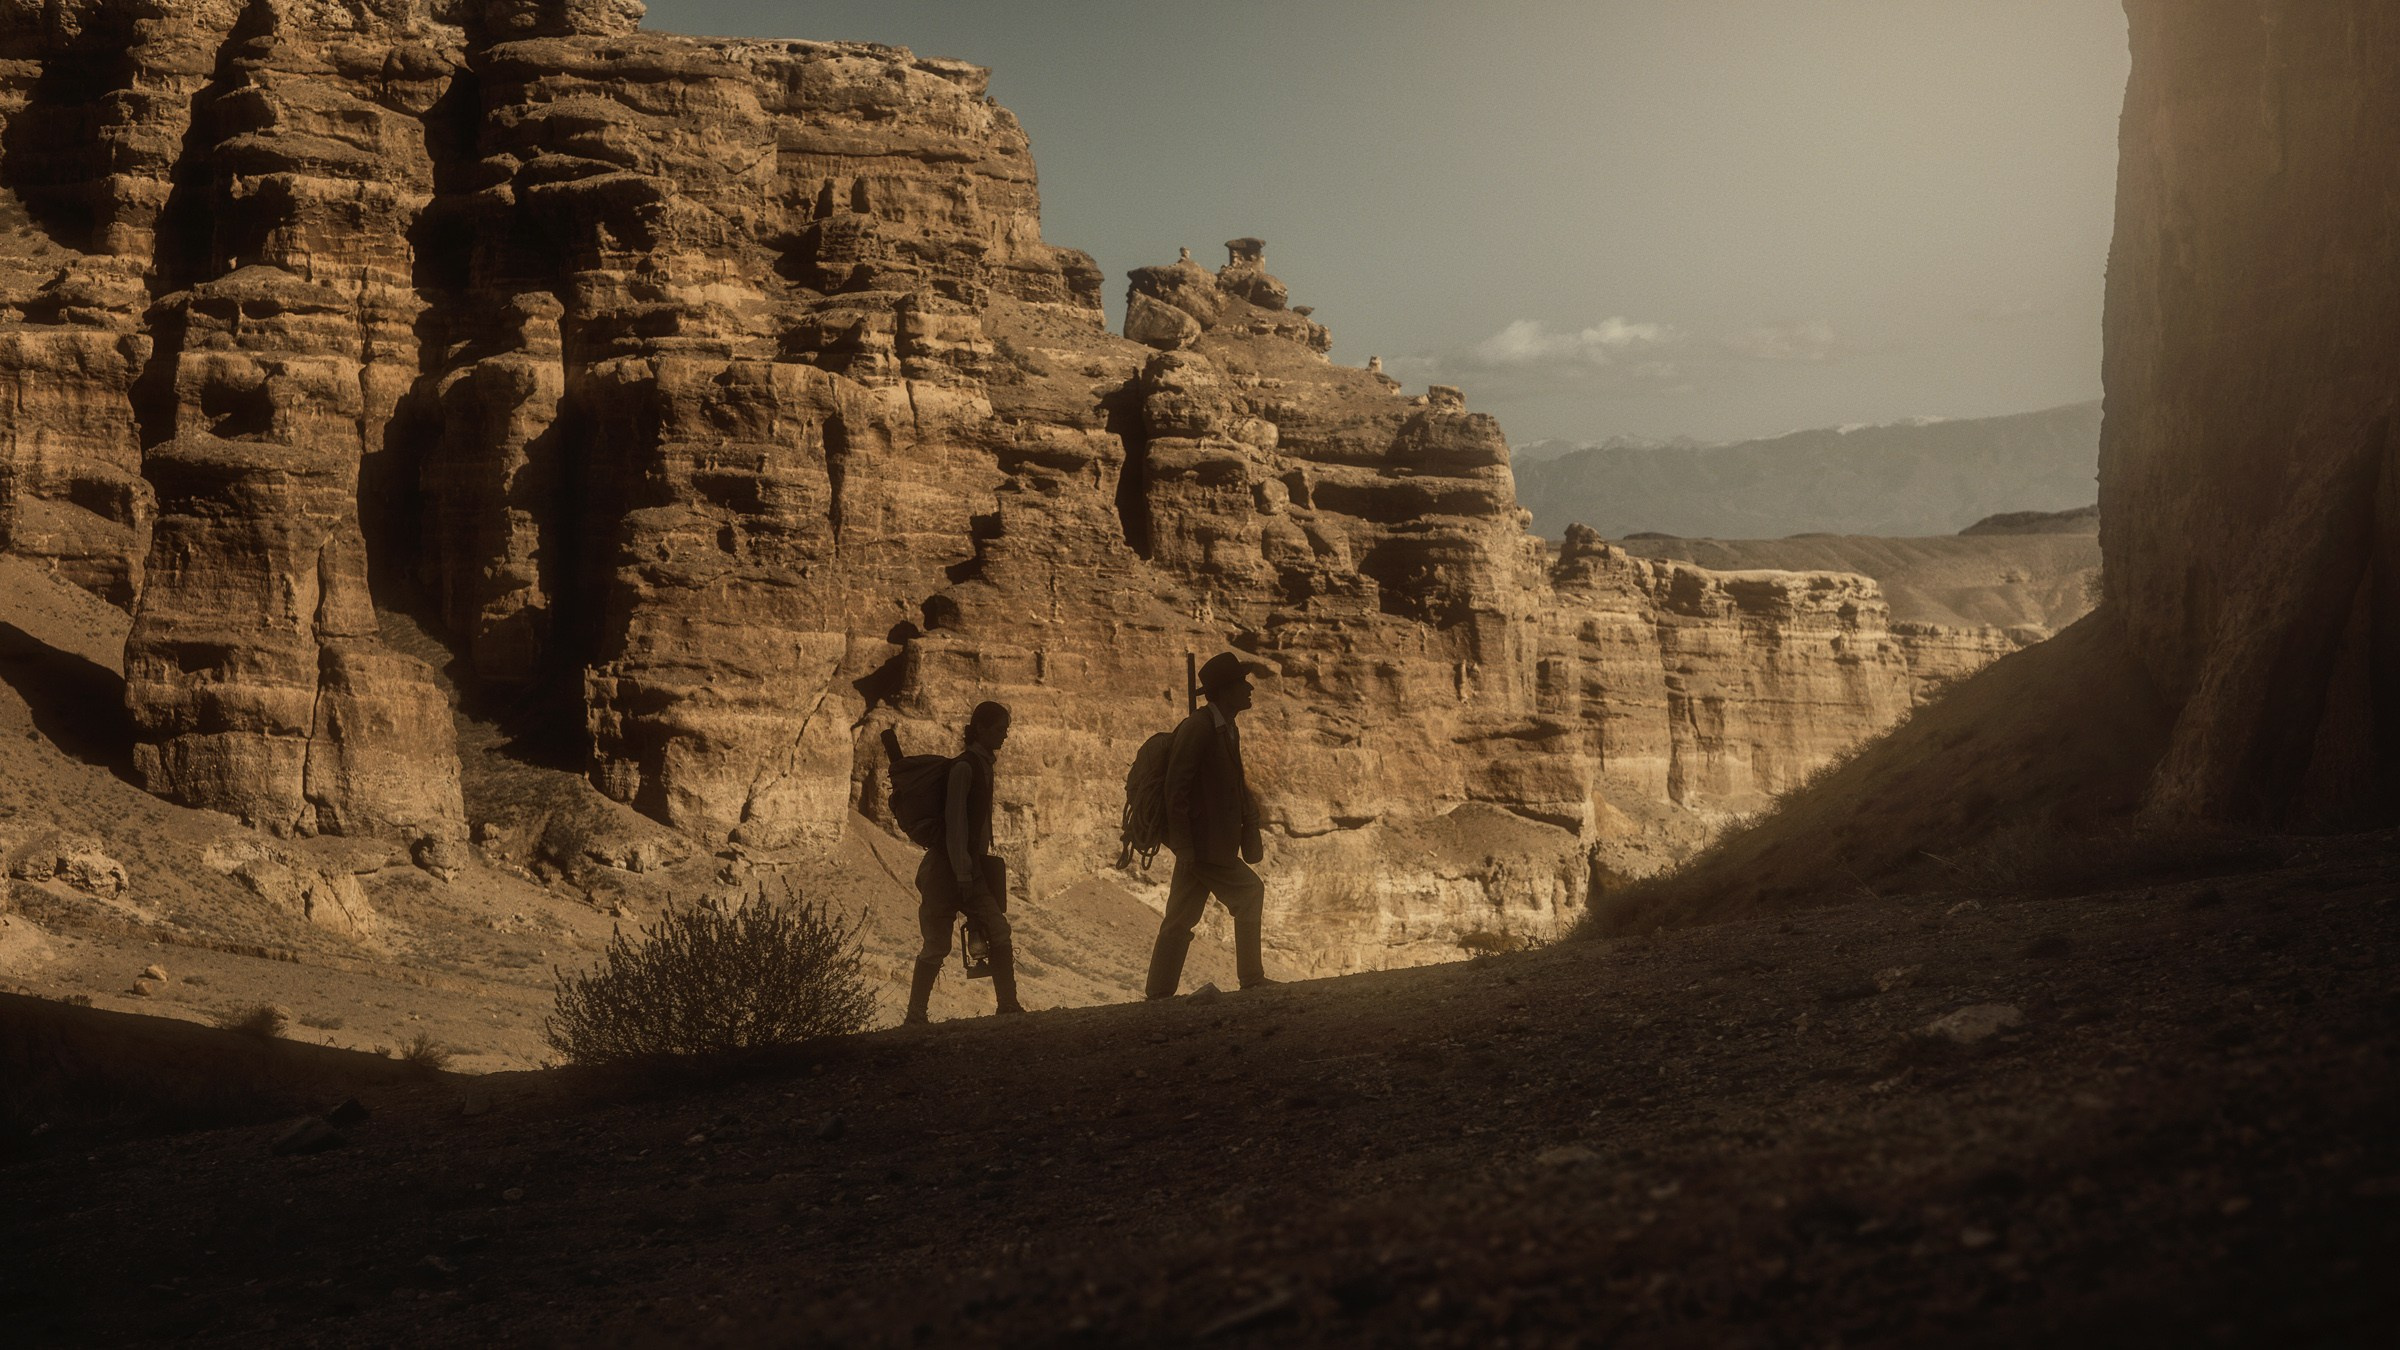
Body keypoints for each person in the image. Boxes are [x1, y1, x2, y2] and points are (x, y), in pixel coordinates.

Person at [1145, 653, 1276, 998]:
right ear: (1225, 692)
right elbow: (1176, 790)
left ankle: (1158, 994)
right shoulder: (1199, 728)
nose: (1249, 689)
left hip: (1210, 843)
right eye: (1240, 684)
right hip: (1204, 845)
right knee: (1250, 892)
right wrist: (1185, 846)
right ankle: (1251, 977)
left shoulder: (1225, 727)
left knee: (1180, 917)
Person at [905, 701, 1025, 1022]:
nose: (1004, 736)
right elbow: (956, 825)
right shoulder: (964, 769)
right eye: (1000, 729)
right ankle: (915, 1017)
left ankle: (1007, 1005)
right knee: (937, 944)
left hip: (966, 868)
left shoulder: (983, 766)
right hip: (951, 871)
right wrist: (963, 873)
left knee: (997, 930)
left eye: (1006, 730)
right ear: (982, 729)